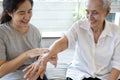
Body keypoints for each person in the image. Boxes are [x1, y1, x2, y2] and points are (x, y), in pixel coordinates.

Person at [23, 0, 120, 80]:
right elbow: (63, 42)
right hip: (78, 75)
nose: (89, 17)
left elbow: (117, 65)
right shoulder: (79, 26)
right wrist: (45, 58)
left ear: (107, 12)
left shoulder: (116, 33)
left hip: (104, 77)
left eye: (95, 13)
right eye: (87, 12)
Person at [0, 0, 56, 80]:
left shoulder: (35, 31)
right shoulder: (2, 33)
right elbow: (1, 71)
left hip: (35, 76)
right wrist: (26, 55)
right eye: (21, 13)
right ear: (9, 13)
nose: (27, 17)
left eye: (29, 11)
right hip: (11, 77)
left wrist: (44, 59)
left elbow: (40, 57)